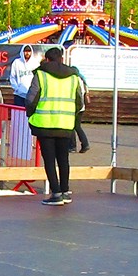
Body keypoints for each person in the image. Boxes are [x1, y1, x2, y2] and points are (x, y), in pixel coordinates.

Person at [23, 46, 83, 205]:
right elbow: (79, 102)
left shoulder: (41, 75)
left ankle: (55, 193)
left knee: (49, 160)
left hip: (45, 124)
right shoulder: (73, 77)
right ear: (62, 59)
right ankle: (66, 191)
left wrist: (30, 114)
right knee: (64, 158)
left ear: (47, 59)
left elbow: (31, 99)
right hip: (65, 124)